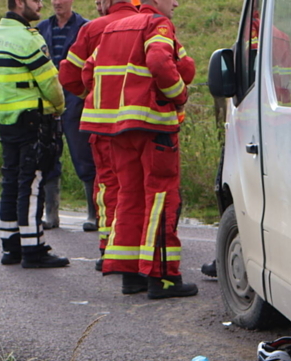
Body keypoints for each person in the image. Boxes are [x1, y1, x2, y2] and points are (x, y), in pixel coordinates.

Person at [81, 0, 198, 298]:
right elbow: (159, 61)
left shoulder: (113, 28)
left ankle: (131, 276)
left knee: (129, 196)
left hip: (117, 130)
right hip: (153, 126)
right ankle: (164, 278)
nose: (175, 3)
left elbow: (87, 71)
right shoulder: (157, 24)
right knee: (161, 197)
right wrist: (179, 96)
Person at [0, 0, 71, 268]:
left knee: (10, 181)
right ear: (20, 3)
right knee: (31, 184)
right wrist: (59, 107)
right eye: (35, 0)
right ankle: (33, 249)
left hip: (5, 120)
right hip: (33, 121)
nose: (41, 5)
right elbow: (50, 82)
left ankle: (11, 246)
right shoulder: (27, 39)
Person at [59, 0, 140, 272]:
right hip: (141, 123)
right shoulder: (151, 26)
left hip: (103, 124)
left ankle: (108, 248)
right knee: (139, 186)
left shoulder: (93, 29)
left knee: (108, 185)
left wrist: (91, 95)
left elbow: (68, 75)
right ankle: (142, 250)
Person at [36, 0, 98, 233]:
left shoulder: (86, 28)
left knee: (84, 156)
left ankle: (93, 213)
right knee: (48, 156)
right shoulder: (42, 28)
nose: (56, 3)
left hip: (76, 101)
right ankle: (51, 214)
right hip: (48, 101)